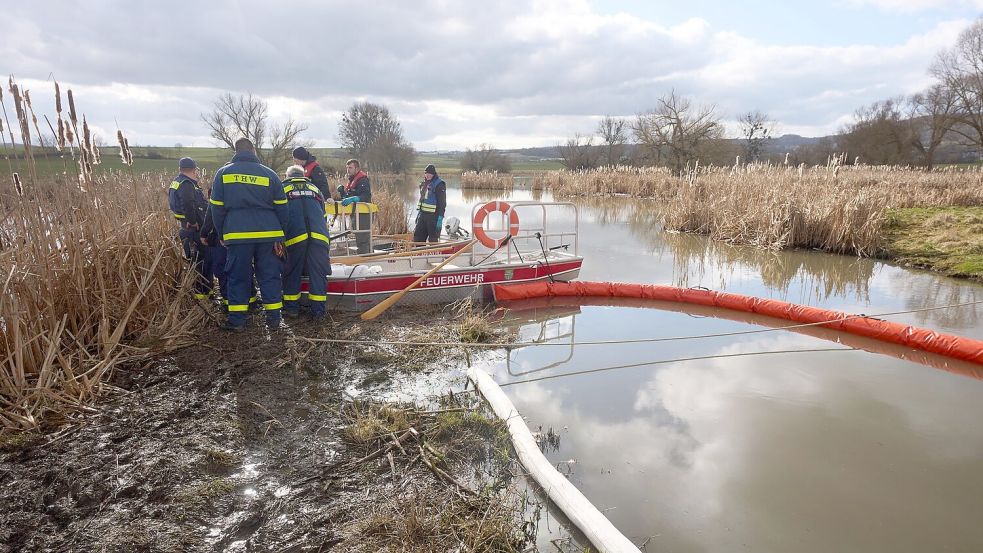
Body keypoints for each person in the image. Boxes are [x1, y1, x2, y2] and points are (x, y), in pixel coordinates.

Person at [209, 138, 289, 331]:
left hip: (237, 234)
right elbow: (282, 208)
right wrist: (281, 235)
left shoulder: (223, 174)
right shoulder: (269, 174)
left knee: (238, 276)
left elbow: (216, 209)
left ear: (236, 151)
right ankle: (274, 320)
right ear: (253, 150)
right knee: (270, 276)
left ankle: (237, 321)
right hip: (269, 233)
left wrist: (222, 234)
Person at [281, 165, 332, 319]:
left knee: (292, 272)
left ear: (287, 176)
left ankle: (292, 309)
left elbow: (279, 215)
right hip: (319, 237)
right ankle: (318, 312)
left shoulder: (282, 188)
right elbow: (323, 215)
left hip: (295, 237)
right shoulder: (315, 189)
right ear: (303, 175)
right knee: (318, 273)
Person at [167, 157, 210, 299]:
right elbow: (187, 203)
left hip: (185, 227)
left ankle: (201, 292)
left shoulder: (177, 182)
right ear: (193, 169)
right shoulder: (187, 184)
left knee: (194, 261)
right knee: (200, 261)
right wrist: (193, 221)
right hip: (193, 228)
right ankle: (202, 294)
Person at [337, 159, 373, 254]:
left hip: (364, 213)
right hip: (355, 212)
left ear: (357, 168)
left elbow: (365, 196)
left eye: (350, 168)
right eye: (347, 168)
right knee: (359, 235)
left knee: (362, 237)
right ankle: (366, 254)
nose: (348, 170)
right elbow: (348, 197)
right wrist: (342, 192)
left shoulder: (363, 180)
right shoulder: (352, 180)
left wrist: (354, 199)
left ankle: (364, 257)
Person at [413, 164, 446, 243]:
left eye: (430, 174)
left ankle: (434, 251)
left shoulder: (439, 184)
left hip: (433, 216)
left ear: (434, 174)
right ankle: (419, 250)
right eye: (426, 173)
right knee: (417, 237)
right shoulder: (423, 184)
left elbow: (442, 203)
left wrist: (440, 218)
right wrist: (419, 215)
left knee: (433, 239)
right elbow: (423, 200)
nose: (427, 175)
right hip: (422, 215)